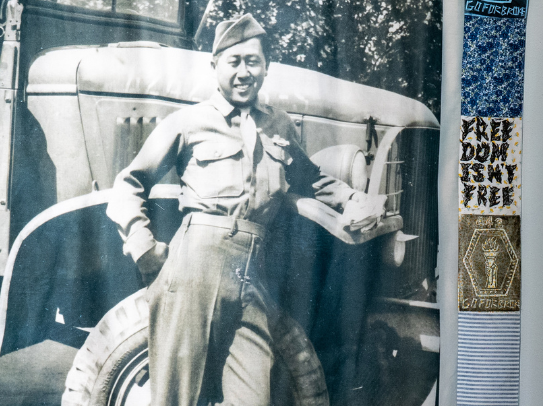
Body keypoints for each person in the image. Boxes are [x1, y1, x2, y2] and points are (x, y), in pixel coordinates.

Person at [106, 14, 370, 405]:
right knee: (176, 398)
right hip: (195, 268)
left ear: (266, 68)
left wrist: (351, 199)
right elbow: (129, 182)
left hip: (255, 276)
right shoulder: (190, 122)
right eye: (234, 62)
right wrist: (142, 245)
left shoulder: (278, 126)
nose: (244, 72)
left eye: (253, 61)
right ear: (215, 67)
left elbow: (311, 179)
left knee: (253, 397)